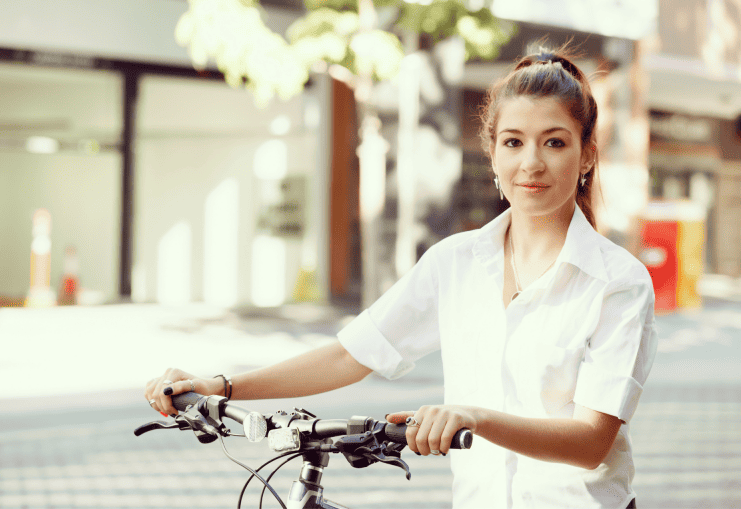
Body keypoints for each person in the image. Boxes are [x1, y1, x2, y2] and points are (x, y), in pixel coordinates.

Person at [145, 47, 656, 509]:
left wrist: (473, 418)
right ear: (493, 154)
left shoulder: (618, 283)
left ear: (587, 155)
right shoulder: (455, 262)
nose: (532, 163)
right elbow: (352, 353)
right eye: (513, 142)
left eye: (555, 142)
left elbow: (591, 442)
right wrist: (223, 386)